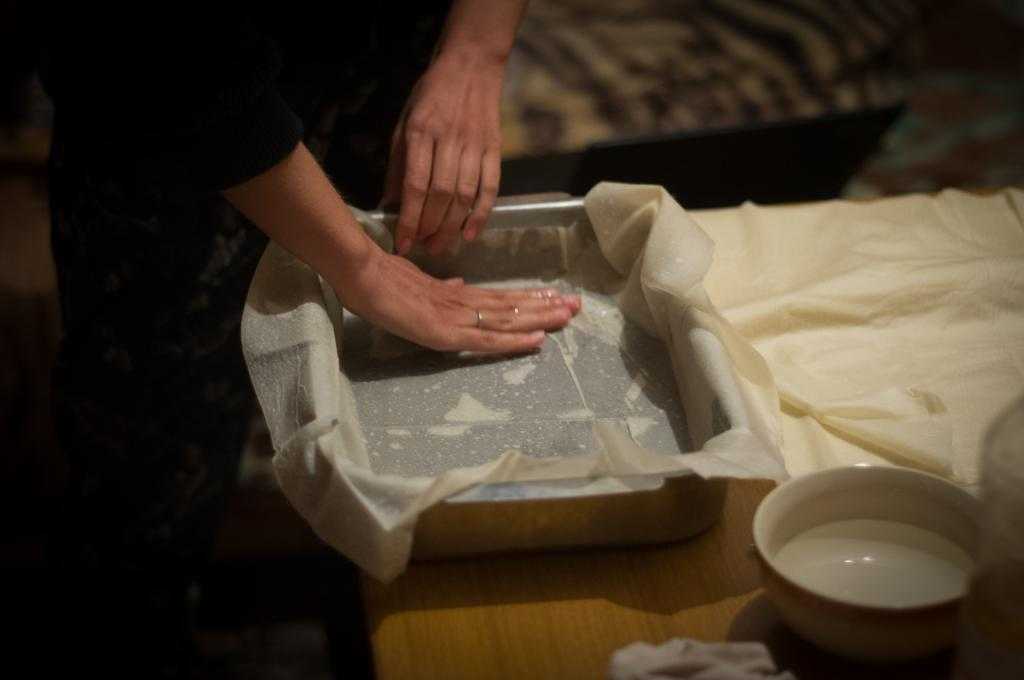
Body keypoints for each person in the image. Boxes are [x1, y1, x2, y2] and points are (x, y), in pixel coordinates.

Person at [38, 1, 580, 674]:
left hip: (383, 66)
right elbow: (165, 52)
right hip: (161, 104)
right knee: (148, 484)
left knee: (367, 431)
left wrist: (475, 50)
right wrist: (361, 267)